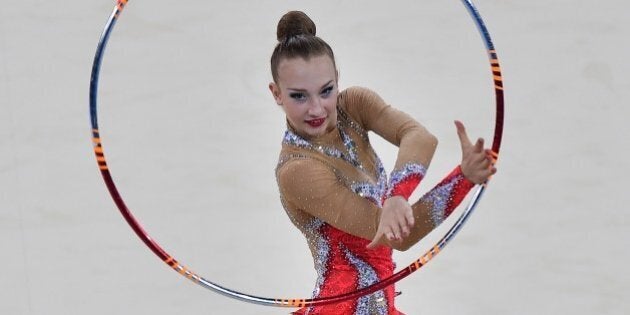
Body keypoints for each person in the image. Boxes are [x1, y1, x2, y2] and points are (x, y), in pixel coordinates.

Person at [269, 11, 496, 315]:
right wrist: (461, 180)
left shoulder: (354, 106)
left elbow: (419, 136)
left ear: (338, 77)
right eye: (299, 96)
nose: (317, 108)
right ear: (276, 94)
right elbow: (393, 236)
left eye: (326, 90)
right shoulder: (297, 171)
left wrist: (400, 193)